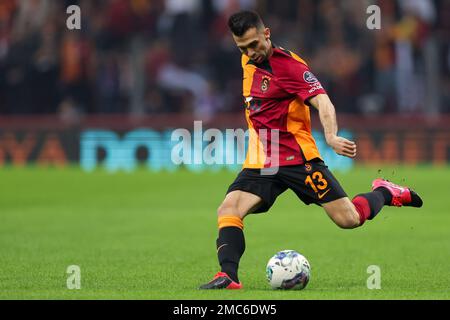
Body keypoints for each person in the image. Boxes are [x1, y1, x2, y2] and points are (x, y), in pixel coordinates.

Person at [199, 11, 423, 290]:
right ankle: (228, 276)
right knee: (229, 208)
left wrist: (331, 136)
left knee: (349, 219)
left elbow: (323, 101)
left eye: (254, 44)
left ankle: (385, 192)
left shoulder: (290, 67)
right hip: (263, 159)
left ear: (266, 34)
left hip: (297, 158)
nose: (250, 52)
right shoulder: (248, 59)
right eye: (242, 47)